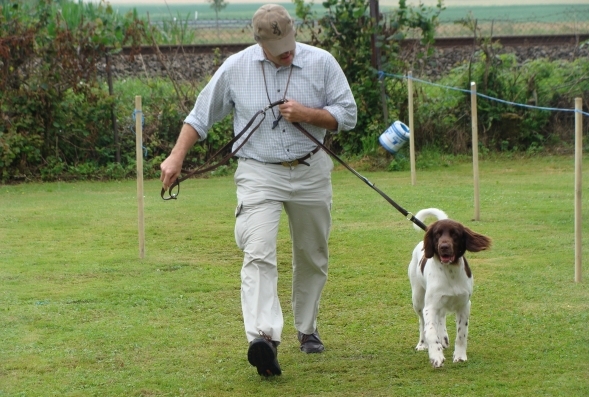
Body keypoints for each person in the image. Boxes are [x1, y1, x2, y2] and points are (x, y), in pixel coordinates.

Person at [160, 3, 357, 377]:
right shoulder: (236, 68)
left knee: (313, 253)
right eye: (277, 44)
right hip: (258, 171)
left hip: (311, 166)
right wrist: (175, 157)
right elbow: (200, 116)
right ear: (259, 41)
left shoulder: (322, 62)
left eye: (289, 40)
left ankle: (307, 327)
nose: (287, 49)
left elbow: (348, 115)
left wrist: (308, 114)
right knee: (258, 251)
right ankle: (264, 340)